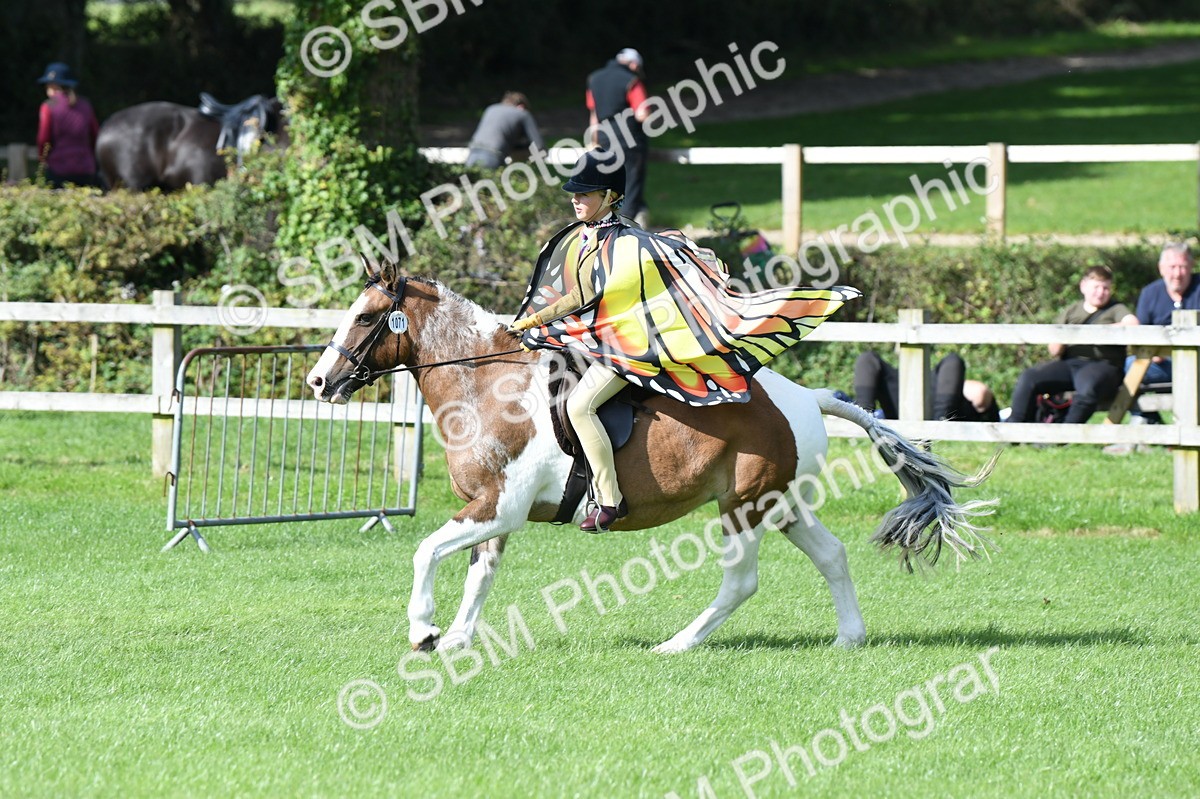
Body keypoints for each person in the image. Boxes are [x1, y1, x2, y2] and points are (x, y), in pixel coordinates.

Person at [508, 150, 859, 532]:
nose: (575, 199)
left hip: (632, 346)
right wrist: (535, 321)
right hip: (600, 337)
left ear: (610, 197)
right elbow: (580, 296)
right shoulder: (584, 239)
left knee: (579, 407)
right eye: (574, 193)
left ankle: (609, 500)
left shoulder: (630, 245)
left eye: (585, 193)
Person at [1006, 265, 1138, 425]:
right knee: (1029, 377)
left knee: (1088, 388)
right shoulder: (1072, 310)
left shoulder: (1116, 309)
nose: (1101, 292)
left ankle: (1063, 435)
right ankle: (1014, 429)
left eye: (1106, 288)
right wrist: (1063, 339)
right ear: (1083, 286)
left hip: (1103, 365)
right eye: (1096, 287)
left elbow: (1132, 324)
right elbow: (1053, 350)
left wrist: (1096, 332)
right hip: (1070, 364)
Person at [586, 48, 650, 227]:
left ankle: (605, 226)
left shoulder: (594, 79)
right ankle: (626, 229)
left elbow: (594, 115)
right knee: (631, 184)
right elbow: (641, 113)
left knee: (610, 184)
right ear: (635, 64)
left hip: (605, 137)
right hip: (629, 138)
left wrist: (595, 140)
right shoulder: (632, 80)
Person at [853, 350, 999, 422]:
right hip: (903, 403)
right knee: (868, 358)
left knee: (953, 360)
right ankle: (862, 416)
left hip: (941, 411)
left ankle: (937, 425)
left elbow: (981, 394)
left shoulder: (976, 400)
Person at [34, 62, 101, 189]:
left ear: (52, 87)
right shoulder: (86, 105)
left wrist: (42, 159)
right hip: (86, 169)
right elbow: (95, 135)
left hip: (58, 168)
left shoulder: (48, 106)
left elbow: (43, 138)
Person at [464, 91, 545, 169]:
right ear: (522, 106)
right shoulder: (522, 114)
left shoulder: (491, 109)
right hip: (493, 156)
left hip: (472, 153)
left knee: (470, 182)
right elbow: (539, 147)